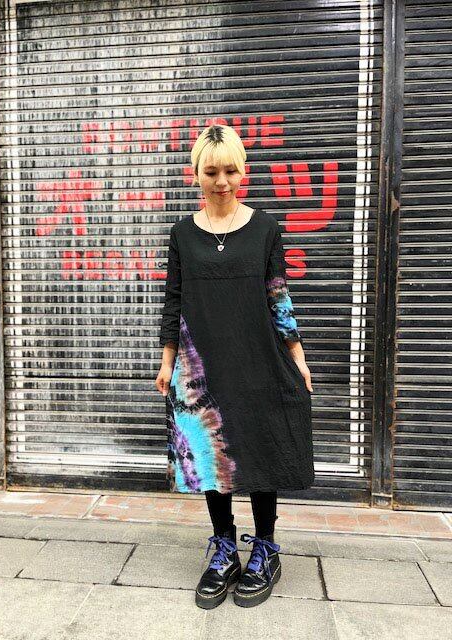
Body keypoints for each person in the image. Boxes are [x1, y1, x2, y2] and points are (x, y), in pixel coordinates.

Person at [155, 124, 314, 609]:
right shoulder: (182, 234)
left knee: (261, 446)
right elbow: (174, 301)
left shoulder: (265, 229)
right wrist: (167, 363)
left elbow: (278, 296)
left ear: (243, 171)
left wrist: (298, 359)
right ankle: (224, 549)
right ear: (196, 174)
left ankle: (265, 549)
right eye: (211, 172)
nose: (221, 181)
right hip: (202, 363)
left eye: (230, 170)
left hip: (258, 356)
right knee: (212, 457)